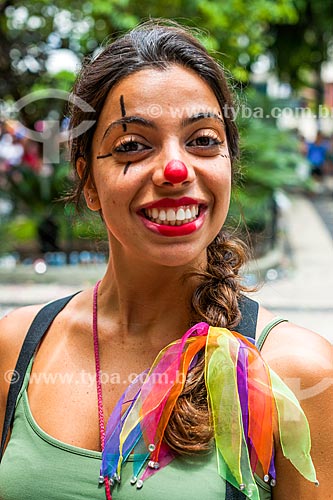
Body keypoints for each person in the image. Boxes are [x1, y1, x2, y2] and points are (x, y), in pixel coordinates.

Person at [0, 20, 332, 500]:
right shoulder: (17, 348)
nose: (175, 170)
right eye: (133, 145)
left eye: (202, 139)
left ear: (229, 167)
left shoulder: (299, 371)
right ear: (89, 181)